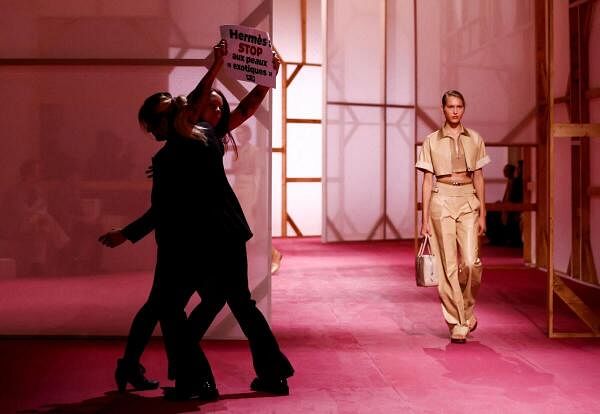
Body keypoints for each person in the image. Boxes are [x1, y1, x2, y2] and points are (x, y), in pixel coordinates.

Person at [100, 40, 293, 398]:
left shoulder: (190, 142)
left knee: (172, 308)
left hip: (198, 242)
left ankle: (196, 381)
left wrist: (228, 69)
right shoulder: (200, 140)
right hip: (222, 235)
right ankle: (269, 373)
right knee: (231, 304)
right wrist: (264, 79)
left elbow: (234, 108)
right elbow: (242, 109)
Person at [416, 90, 490, 344]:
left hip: (468, 199)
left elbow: (479, 177)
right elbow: (427, 180)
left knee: (471, 263)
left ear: (464, 109)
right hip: (441, 199)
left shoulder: (475, 139)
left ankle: (466, 312)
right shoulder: (431, 141)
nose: (455, 111)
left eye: (459, 106)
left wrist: (483, 213)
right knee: (447, 265)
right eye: (451, 106)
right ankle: (457, 322)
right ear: (443, 109)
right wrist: (424, 218)